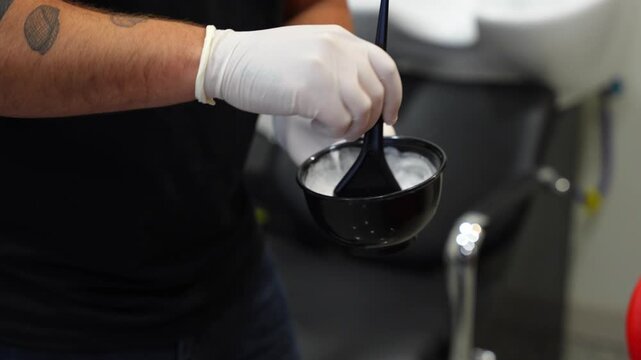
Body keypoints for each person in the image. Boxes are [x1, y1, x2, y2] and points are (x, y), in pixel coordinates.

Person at [0, 0, 402, 359]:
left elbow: (306, 5)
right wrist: (217, 60)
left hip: (236, 286)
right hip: (44, 317)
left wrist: (329, 77)